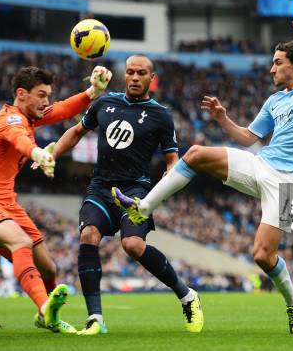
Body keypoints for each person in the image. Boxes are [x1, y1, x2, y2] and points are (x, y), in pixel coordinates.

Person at [113, 2, 293, 334]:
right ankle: (143, 207)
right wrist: (223, 119)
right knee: (195, 154)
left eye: (277, 63)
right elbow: (248, 138)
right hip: (262, 164)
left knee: (263, 256)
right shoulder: (274, 101)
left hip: (290, 181)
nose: (271, 69)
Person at [48, 55, 203, 335]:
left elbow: (172, 160)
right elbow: (76, 131)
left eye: (140, 73)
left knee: (132, 245)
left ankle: (187, 295)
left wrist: (166, 181)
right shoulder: (105, 103)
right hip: (101, 186)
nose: (134, 77)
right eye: (130, 72)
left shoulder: (161, 115)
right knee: (88, 236)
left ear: (151, 79)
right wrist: (52, 154)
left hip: (135, 191)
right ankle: (95, 318)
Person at [0, 65, 112, 333]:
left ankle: (49, 315)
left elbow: (63, 109)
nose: (46, 101)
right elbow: (18, 140)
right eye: (41, 95)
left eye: (48, 95)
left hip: (7, 203)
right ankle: (45, 311)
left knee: (48, 268)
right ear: (22, 94)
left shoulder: (27, 117)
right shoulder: (10, 120)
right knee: (21, 242)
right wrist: (38, 154)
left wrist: (93, 91)